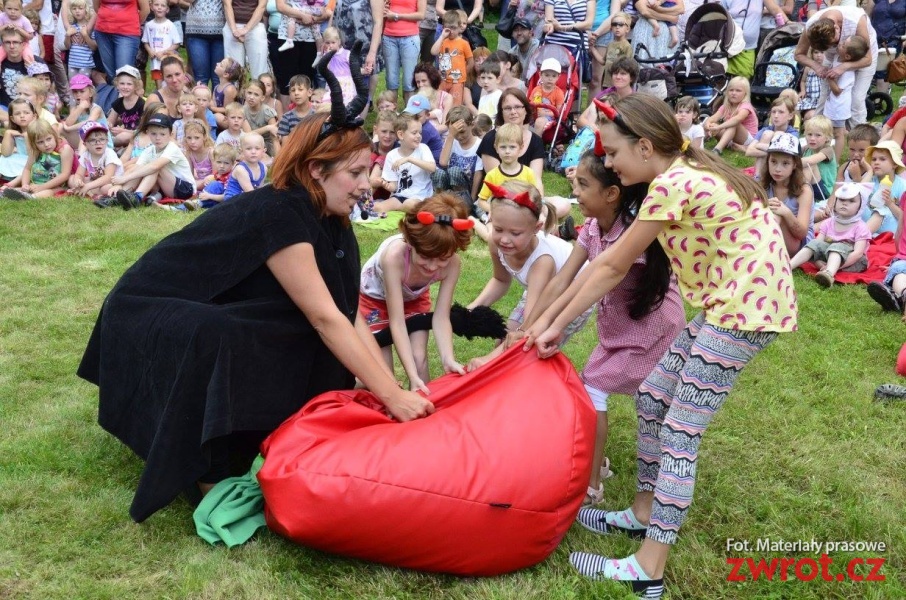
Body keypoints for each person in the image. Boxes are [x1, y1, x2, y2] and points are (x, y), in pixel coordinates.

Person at [77, 54, 433, 522]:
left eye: (368, 171)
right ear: (315, 171)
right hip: (145, 311)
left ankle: (283, 438)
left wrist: (383, 392)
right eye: (356, 172)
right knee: (222, 334)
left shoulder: (333, 217)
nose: (367, 185)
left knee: (291, 333)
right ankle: (210, 469)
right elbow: (326, 318)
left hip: (215, 303)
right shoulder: (281, 211)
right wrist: (393, 396)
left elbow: (345, 314)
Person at [522, 94, 797, 597]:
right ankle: (644, 511)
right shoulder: (686, 165)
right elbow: (600, 264)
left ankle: (650, 567)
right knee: (652, 396)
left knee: (680, 433)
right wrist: (553, 321)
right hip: (731, 304)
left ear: (646, 147)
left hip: (745, 311)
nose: (607, 164)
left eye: (612, 154)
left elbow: (609, 265)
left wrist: (554, 325)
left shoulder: (672, 184)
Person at [515, 151, 684, 507]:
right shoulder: (593, 227)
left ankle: (592, 486)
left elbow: (595, 279)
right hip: (623, 329)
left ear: (611, 194)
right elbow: (564, 280)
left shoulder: (630, 233)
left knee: (594, 391)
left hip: (652, 330)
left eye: (582, 184)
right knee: (605, 392)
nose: (573, 189)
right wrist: (529, 327)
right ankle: (599, 465)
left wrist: (553, 326)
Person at [467, 180, 587, 368]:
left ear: (536, 228)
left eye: (515, 233)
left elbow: (531, 326)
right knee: (505, 340)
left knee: (527, 350)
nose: (504, 239)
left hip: (571, 297)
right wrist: (471, 309)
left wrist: (487, 360)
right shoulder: (494, 242)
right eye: (498, 229)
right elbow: (500, 280)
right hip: (537, 291)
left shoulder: (542, 262)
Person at [360, 194, 472, 392]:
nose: (432, 266)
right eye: (425, 257)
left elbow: (441, 317)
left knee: (419, 359)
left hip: (414, 298)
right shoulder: (394, 258)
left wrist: (448, 358)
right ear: (410, 242)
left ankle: (424, 408)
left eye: (442, 259)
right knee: (383, 374)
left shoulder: (453, 264)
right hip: (373, 301)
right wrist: (409, 374)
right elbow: (397, 322)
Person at [793, 6, 877, 128]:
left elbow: (867, 59)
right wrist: (817, 66)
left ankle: (859, 138)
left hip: (863, 57)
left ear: (837, 28)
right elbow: (798, 54)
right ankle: (819, 134)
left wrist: (843, 67)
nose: (834, 47)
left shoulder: (856, 21)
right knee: (825, 96)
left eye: (833, 43)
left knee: (856, 100)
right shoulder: (812, 27)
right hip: (832, 59)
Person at [789, 182, 870, 288]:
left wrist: (836, 267)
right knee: (813, 243)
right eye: (841, 200)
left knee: (837, 246)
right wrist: (818, 262)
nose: (845, 203)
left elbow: (858, 253)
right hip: (827, 257)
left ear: (861, 206)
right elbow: (817, 245)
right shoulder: (828, 222)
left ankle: (828, 274)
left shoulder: (861, 227)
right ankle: (788, 266)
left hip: (852, 261)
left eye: (851, 201)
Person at [108, 114, 196, 208]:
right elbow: (136, 168)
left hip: (185, 189)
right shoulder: (149, 150)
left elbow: (155, 166)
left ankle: (137, 197)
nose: (158, 138)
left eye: (162, 134)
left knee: (155, 167)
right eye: (153, 134)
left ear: (170, 134)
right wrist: (119, 185)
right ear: (148, 133)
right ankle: (117, 197)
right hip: (165, 187)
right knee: (142, 169)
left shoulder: (172, 148)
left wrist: (125, 178)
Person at [477, 88, 546, 196]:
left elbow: (536, 180)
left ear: (526, 109)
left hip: (527, 197)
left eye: (518, 107)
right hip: (498, 198)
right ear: (501, 112)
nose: (513, 112)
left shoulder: (536, 141)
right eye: (508, 108)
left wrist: (539, 203)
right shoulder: (490, 139)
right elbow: (499, 182)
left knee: (563, 204)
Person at [760, 132, 815, 256]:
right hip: (768, 236)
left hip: (799, 245)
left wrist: (786, 213)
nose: (778, 169)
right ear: (767, 160)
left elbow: (801, 233)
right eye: (773, 161)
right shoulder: (762, 184)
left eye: (785, 163)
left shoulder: (803, 190)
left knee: (777, 215)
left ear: (795, 164)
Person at [373, 111, 436, 213]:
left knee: (409, 204)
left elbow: (432, 168)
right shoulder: (392, 155)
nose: (419, 136)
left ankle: (403, 209)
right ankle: (400, 208)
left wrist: (409, 159)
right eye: (414, 133)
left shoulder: (423, 149)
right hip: (400, 196)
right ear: (401, 135)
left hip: (420, 197)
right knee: (377, 206)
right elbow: (395, 186)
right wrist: (387, 185)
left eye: (420, 132)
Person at [1, 118, 73, 198]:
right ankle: (8, 192)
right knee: (22, 184)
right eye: (40, 142)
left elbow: (65, 175)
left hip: (57, 185)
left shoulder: (64, 150)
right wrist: (25, 185)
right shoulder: (35, 150)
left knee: (48, 192)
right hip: (38, 181)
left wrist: (42, 187)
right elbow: (27, 169)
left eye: (49, 139)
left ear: (54, 135)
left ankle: (32, 197)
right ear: (34, 143)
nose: (46, 144)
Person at [476, 122, 539, 214]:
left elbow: (535, 199)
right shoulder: (492, 175)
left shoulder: (529, 173)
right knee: (489, 228)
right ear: (496, 148)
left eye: (512, 147)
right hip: (499, 218)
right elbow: (481, 201)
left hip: (521, 215)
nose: (507, 151)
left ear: (521, 148)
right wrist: (495, 210)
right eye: (503, 147)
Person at [826, 34, 868, 161]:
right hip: (832, 104)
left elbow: (838, 91)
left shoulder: (848, 73)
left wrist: (829, 79)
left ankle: (836, 160)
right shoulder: (839, 59)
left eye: (843, 44)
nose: (840, 43)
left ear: (848, 56)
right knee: (837, 130)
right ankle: (850, 135)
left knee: (838, 134)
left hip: (839, 107)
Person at [382, 0, 427, 105]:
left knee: (409, 80)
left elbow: (421, 15)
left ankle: (409, 115)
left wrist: (397, 16)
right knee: (391, 79)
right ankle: (390, 115)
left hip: (409, 38)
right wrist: (383, 9)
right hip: (389, 37)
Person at [859, 141, 906, 236]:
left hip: (890, 226)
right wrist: (869, 172)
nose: (876, 162)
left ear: (895, 164)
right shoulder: (871, 180)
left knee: (882, 211)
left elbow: (903, 217)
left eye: (882, 159)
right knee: (851, 205)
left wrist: (890, 204)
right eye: (874, 159)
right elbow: (858, 193)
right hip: (868, 222)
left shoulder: (902, 185)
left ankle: (858, 237)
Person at [93, 0, 148, 80]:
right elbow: (96, 7)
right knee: (110, 73)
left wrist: (131, 23)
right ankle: (115, 92)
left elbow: (145, 10)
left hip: (127, 34)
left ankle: (124, 91)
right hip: (103, 32)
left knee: (124, 72)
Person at [702, 76, 758, 155]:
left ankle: (717, 150)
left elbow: (737, 119)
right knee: (712, 124)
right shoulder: (726, 106)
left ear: (745, 93)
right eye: (731, 90)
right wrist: (708, 125)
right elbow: (712, 118)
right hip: (731, 136)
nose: (733, 93)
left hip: (747, 139)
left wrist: (719, 127)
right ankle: (700, 143)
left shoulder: (746, 106)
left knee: (733, 124)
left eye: (738, 91)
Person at [68, 120, 123, 198]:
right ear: (85, 144)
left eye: (102, 139)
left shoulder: (109, 154)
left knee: (106, 188)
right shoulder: (86, 155)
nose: (98, 142)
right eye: (93, 140)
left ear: (107, 141)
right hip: (94, 182)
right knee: (71, 179)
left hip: (111, 182)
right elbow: (79, 174)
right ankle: (87, 190)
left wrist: (88, 186)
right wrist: (78, 181)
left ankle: (88, 191)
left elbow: (108, 177)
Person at [744, 96, 798, 172]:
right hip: (765, 167)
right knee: (767, 134)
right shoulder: (765, 130)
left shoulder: (793, 133)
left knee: (779, 134)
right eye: (773, 112)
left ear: (790, 116)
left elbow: (783, 152)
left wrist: (759, 145)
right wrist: (773, 155)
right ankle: (758, 177)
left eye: (781, 112)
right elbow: (749, 152)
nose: (776, 116)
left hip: (783, 171)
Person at [431, 9, 472, 106]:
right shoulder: (442, 41)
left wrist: (463, 74)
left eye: (453, 28)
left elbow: (470, 61)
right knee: (440, 105)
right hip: (443, 80)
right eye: (448, 28)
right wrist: (442, 36)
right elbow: (433, 52)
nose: (451, 31)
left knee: (455, 106)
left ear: (459, 27)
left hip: (457, 81)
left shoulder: (464, 43)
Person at [183, 0, 225, 88]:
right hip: (195, 31)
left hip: (221, 32)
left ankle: (217, 101)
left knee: (218, 76)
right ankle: (200, 100)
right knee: (201, 77)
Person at [223, 0, 269, 79]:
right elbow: (227, 5)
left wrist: (246, 29)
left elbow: (261, 7)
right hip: (232, 26)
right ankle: (234, 90)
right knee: (233, 69)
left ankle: (258, 89)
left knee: (259, 69)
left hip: (256, 26)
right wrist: (234, 30)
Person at [61, 73, 109, 149]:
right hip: (87, 141)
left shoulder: (96, 109)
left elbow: (89, 124)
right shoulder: (75, 108)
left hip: (102, 142)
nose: (78, 95)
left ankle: (81, 156)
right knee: (60, 128)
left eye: (82, 91)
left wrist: (69, 128)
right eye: (75, 92)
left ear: (90, 93)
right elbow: (68, 123)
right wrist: (80, 108)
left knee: (85, 133)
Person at [801, 115, 836, 206]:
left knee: (810, 165)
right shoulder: (806, 149)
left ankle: (800, 196)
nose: (812, 138)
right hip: (812, 187)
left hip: (824, 192)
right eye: (809, 134)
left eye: (818, 135)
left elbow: (811, 161)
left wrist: (792, 162)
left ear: (827, 138)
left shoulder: (828, 150)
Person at [222, 132, 268, 200]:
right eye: (248, 148)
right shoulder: (241, 169)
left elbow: (259, 190)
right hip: (233, 201)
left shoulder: (264, 168)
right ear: (242, 151)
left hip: (247, 199)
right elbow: (251, 193)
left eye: (257, 148)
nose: (253, 152)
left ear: (264, 151)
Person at [107, 66, 145, 147]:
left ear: (136, 86)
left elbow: (143, 131)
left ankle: (108, 146)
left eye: (129, 84)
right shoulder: (118, 103)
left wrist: (122, 130)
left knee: (123, 136)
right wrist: (109, 125)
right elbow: (109, 121)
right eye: (122, 83)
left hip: (139, 136)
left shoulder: (141, 104)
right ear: (117, 85)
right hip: (123, 135)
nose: (125, 87)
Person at [0, 96, 35, 181]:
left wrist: (26, 137)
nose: (22, 116)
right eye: (17, 114)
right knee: (4, 159)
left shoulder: (37, 131)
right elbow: (6, 153)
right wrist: (8, 134)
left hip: (33, 160)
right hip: (19, 158)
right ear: (12, 118)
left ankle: (13, 183)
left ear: (34, 116)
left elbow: (32, 155)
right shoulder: (14, 132)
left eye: (26, 113)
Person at [528, 57, 565, 136]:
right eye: (547, 75)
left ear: (558, 77)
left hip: (550, 118)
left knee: (539, 122)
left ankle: (536, 143)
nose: (550, 78)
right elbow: (531, 105)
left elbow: (558, 112)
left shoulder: (558, 93)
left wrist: (545, 113)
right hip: (534, 115)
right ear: (540, 75)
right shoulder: (536, 90)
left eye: (553, 76)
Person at [242, 79, 279, 157]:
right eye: (249, 93)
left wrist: (270, 128)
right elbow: (248, 134)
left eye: (256, 95)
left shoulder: (267, 112)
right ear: (245, 93)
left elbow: (274, 133)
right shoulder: (243, 111)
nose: (251, 97)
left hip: (266, 144)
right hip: (249, 142)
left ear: (262, 98)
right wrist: (267, 128)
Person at [277, 74, 314, 141]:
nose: (296, 93)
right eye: (293, 90)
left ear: (309, 92)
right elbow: (286, 146)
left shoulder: (317, 115)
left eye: (300, 89)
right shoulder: (286, 118)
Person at [64, 0, 94, 77]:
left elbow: (94, 47)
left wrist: (85, 35)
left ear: (86, 10)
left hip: (85, 64)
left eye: (80, 8)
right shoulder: (72, 27)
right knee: (73, 87)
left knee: (83, 87)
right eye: (74, 9)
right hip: (72, 64)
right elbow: (67, 46)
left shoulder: (89, 28)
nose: (77, 11)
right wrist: (67, 35)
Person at [212, 56, 242, 128]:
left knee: (216, 116)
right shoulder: (217, 87)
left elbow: (227, 109)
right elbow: (213, 102)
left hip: (231, 119)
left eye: (221, 65)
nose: (217, 63)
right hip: (219, 115)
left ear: (226, 74)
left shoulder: (229, 89)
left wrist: (211, 108)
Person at [797, 48, 822, 121]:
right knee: (796, 107)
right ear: (812, 54)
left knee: (813, 115)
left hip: (821, 99)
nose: (819, 55)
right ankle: (797, 124)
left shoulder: (827, 67)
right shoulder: (808, 67)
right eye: (816, 52)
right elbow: (803, 81)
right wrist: (803, 91)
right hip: (810, 98)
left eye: (822, 52)